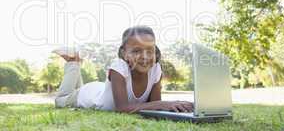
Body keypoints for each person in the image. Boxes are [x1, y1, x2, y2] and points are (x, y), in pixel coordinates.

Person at [54, 26, 194, 113]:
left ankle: (76, 60)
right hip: (86, 95)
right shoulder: (118, 67)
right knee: (60, 101)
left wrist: (178, 106)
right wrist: (164, 104)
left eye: (150, 50)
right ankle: (74, 62)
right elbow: (122, 108)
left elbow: (155, 105)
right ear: (124, 54)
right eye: (136, 51)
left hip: (100, 89)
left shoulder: (156, 69)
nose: (145, 57)